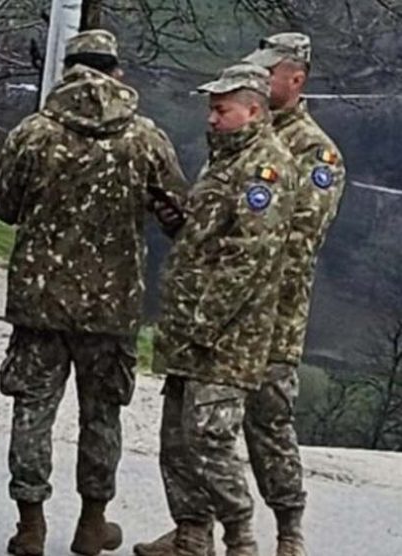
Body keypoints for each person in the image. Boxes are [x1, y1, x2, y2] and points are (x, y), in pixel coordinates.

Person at [0, 29, 187, 556]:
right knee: (102, 416)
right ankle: (92, 523)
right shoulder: (145, 138)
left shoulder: (34, 132)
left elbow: (3, 206)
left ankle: (30, 525)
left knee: (33, 410)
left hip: (40, 302)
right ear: (116, 71)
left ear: (67, 70)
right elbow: (178, 214)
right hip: (112, 305)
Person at [134, 63, 296, 556]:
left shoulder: (265, 168)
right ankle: (190, 535)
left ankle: (240, 539)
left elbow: (250, 256)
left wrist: (205, 321)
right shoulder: (223, 160)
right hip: (189, 328)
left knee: (211, 439)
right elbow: (205, 239)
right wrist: (177, 221)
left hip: (227, 336)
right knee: (177, 441)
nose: (211, 118)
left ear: (253, 111)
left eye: (221, 110)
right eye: (211, 109)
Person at [239, 32, 345, 556]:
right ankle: (194, 527)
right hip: (220, 311)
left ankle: (288, 531)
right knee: (200, 424)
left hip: (274, 314)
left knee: (268, 421)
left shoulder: (314, 150)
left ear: (296, 79)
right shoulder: (242, 131)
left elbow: (302, 236)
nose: (259, 80)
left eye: (269, 73)